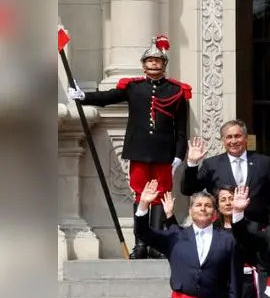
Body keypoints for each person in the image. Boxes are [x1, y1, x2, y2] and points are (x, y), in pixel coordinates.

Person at [67, 35, 190, 259]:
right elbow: (108, 97)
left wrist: (179, 156)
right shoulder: (134, 87)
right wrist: (83, 96)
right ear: (143, 65)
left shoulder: (176, 91)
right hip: (139, 151)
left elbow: (181, 129)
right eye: (150, 61)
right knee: (141, 195)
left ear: (164, 64)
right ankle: (141, 243)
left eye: (157, 61)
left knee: (160, 197)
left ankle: (157, 245)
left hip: (164, 153)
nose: (154, 64)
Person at [182, 121, 270, 228]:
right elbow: (188, 190)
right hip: (224, 229)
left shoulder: (263, 162)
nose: (233, 141)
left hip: (258, 228)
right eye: (229, 137)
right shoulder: (211, 165)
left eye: (238, 136)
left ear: (246, 138)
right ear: (223, 140)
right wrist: (192, 164)